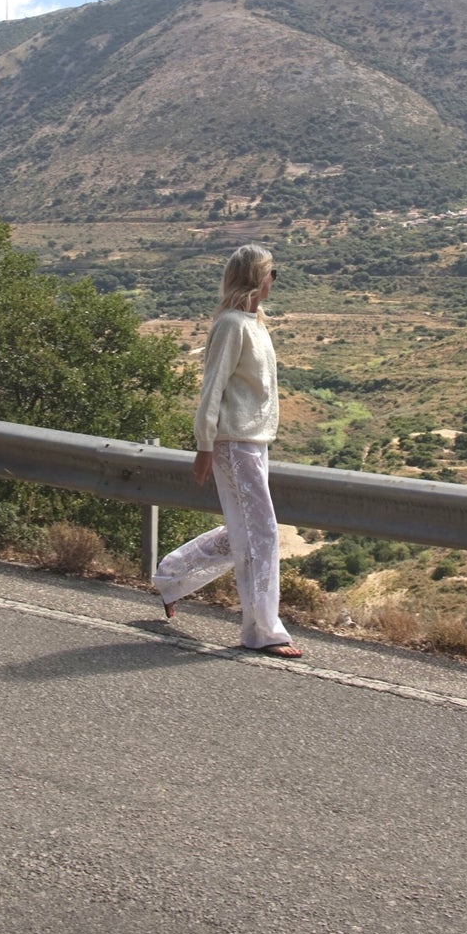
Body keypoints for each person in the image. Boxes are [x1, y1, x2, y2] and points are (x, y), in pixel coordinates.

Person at [153, 243, 302, 658]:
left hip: (253, 442)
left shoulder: (255, 323)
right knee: (262, 532)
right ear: (257, 277)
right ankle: (262, 631)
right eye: (272, 273)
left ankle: (172, 575)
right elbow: (212, 387)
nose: (275, 280)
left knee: (247, 528)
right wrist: (204, 445)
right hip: (234, 443)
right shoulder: (232, 325)